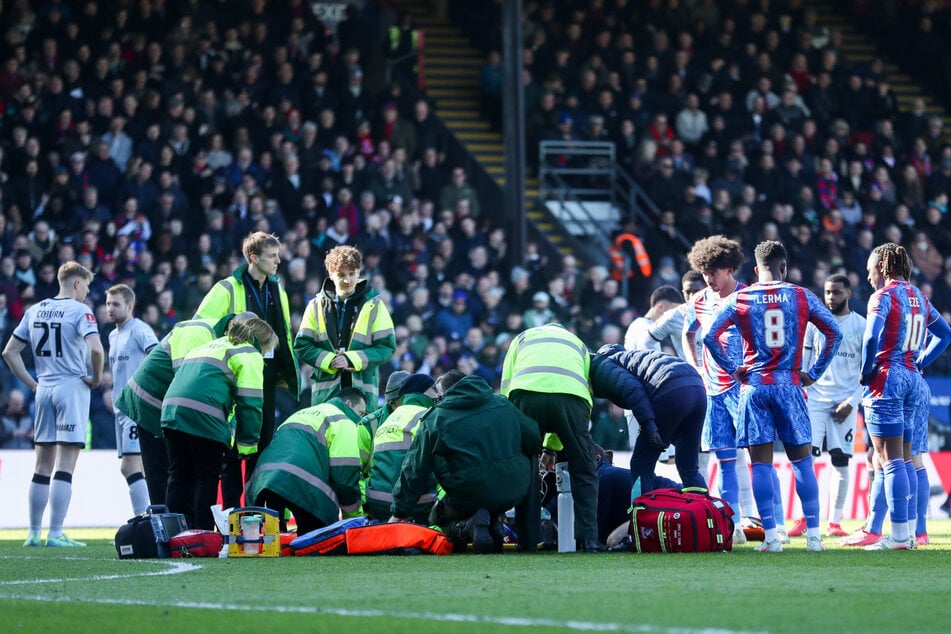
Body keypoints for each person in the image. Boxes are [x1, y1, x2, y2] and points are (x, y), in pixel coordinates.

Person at [704, 240, 843, 553]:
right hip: (789, 384)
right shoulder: (801, 295)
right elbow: (834, 332)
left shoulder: (741, 297)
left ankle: (770, 538)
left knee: (761, 466)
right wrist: (815, 371)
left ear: (755, 270)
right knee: (802, 461)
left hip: (754, 387)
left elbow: (708, 336)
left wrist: (733, 369)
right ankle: (814, 538)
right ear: (784, 268)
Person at [856, 243, 951, 550]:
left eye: (871, 269)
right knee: (908, 460)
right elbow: (946, 334)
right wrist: (921, 360)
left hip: (888, 379)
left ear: (883, 266)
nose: (869, 276)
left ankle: (897, 537)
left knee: (890, 460)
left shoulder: (882, 296)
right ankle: (909, 532)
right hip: (914, 379)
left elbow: (872, 337)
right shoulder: (920, 297)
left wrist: (866, 370)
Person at [194, 231, 299, 507]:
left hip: (265, 378)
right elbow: (201, 327)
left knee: (261, 448)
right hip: (233, 377)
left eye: (278, 255)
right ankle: (231, 512)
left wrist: (288, 371)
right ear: (253, 258)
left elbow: (284, 334)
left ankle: (255, 511)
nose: (278, 261)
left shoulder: (278, 290)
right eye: (272, 256)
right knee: (233, 450)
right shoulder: (226, 288)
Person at [3, 262, 104, 547]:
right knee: (66, 462)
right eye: (85, 286)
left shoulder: (34, 310)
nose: (86, 293)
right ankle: (56, 533)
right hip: (71, 386)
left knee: (42, 464)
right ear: (76, 283)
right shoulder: (80, 311)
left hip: (44, 388)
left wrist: (32, 384)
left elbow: (10, 353)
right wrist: (96, 378)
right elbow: (96, 349)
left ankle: (33, 533)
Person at [391, 371, 542, 554]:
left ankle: (467, 526)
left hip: (468, 493)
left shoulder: (437, 417)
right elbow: (534, 437)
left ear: (445, 393)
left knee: (436, 517)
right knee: (529, 455)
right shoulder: (503, 404)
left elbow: (414, 468)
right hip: (514, 490)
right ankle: (522, 536)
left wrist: (399, 511)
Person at [114, 312, 255, 506]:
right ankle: (168, 529)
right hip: (151, 402)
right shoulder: (198, 331)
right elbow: (184, 383)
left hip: (165, 403)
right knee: (167, 473)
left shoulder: (217, 339)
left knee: (178, 473)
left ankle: (180, 529)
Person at [161, 317, 277, 530]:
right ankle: (202, 533)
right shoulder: (249, 353)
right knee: (206, 476)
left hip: (171, 411)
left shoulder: (211, 345)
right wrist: (247, 445)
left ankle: (173, 535)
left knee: (178, 475)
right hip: (204, 415)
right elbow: (250, 403)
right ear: (260, 343)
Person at [501, 323, 604, 552]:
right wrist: (553, 447)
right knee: (584, 469)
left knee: (525, 468)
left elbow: (506, 384)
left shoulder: (523, 338)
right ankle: (589, 540)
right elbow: (586, 390)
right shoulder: (578, 343)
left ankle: (527, 541)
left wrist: (519, 434)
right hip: (571, 398)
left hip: (526, 394)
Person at [682, 236, 749, 544]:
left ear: (730, 269)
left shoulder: (748, 296)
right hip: (714, 392)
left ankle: (776, 524)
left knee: (757, 456)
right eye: (704, 271)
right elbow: (689, 334)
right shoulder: (699, 300)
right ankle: (731, 525)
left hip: (744, 389)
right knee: (725, 461)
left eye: (714, 271)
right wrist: (695, 366)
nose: (708, 278)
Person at [787, 274, 865, 539]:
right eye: (828, 292)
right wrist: (803, 393)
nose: (831, 297)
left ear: (849, 294)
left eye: (837, 292)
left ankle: (834, 522)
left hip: (845, 402)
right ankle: (803, 517)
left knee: (840, 460)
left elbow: (868, 372)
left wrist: (852, 402)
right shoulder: (814, 325)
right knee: (805, 458)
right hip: (816, 401)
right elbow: (804, 363)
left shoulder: (860, 326)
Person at [588, 343, 707, 498]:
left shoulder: (602, 365)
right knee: (688, 465)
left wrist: (649, 426)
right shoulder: (632, 359)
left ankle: (642, 516)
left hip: (669, 387)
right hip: (697, 388)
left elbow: (633, 389)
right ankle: (706, 515)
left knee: (641, 464)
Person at [247, 387, 366, 535]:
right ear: (348, 404)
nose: (361, 420)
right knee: (317, 539)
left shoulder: (300, 414)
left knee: (277, 542)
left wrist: (282, 518)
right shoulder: (343, 420)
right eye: (361, 413)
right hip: (304, 484)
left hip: (264, 480)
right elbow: (345, 473)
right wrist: (352, 519)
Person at [294, 245, 396, 407]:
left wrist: (350, 359)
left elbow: (387, 347)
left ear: (358, 272)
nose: (347, 280)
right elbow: (301, 346)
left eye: (352, 274)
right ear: (331, 274)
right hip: (326, 395)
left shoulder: (375, 305)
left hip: (362, 394)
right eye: (341, 275)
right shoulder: (315, 306)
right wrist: (330, 360)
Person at [105, 284, 159, 516]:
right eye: (108, 304)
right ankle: (148, 517)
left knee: (130, 466)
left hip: (136, 408)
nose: (110, 309)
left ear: (129, 306)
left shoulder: (140, 330)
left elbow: (157, 356)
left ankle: (144, 519)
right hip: (121, 409)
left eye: (116, 304)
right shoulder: (113, 335)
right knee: (137, 467)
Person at [364, 373, 439, 522]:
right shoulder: (429, 416)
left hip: (377, 503)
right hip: (415, 506)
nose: (438, 392)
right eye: (434, 388)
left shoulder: (383, 421)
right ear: (423, 390)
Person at [644, 270, 706, 358]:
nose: (692, 296)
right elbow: (646, 340)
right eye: (688, 292)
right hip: (689, 371)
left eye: (696, 291)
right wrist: (660, 363)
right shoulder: (675, 315)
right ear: (683, 292)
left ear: (707, 290)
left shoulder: (720, 311)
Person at [623, 285, 682, 351]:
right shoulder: (645, 329)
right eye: (673, 312)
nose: (675, 317)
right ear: (660, 307)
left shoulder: (640, 325)